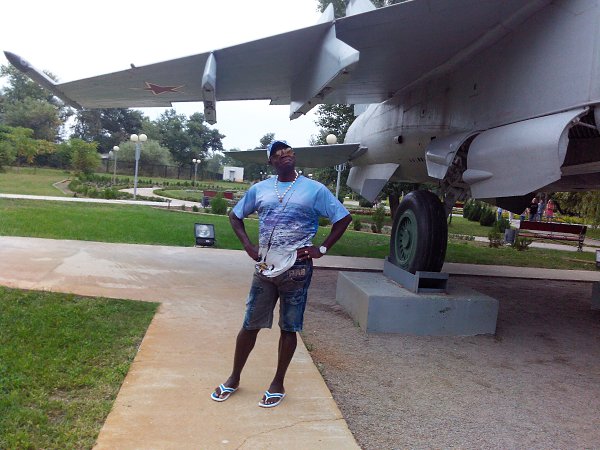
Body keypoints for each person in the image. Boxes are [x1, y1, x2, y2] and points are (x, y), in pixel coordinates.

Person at [211, 140, 352, 408]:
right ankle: (234, 378)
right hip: (265, 268)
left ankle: (278, 383)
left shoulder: (315, 189)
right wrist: (248, 246)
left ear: (294, 157)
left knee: (289, 327)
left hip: (297, 269)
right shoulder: (260, 189)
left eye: (288, 151)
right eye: (277, 154)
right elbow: (235, 215)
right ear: (271, 162)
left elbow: (343, 218)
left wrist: (321, 248)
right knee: (250, 324)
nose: (284, 155)